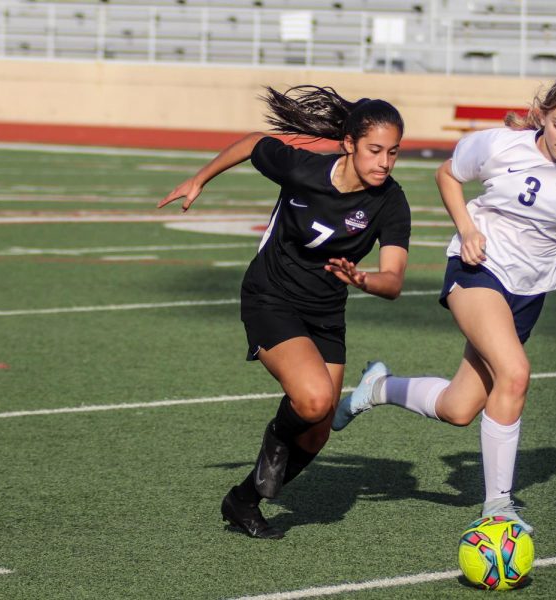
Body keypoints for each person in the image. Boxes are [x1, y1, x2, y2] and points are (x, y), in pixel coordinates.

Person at [332, 75, 556, 534]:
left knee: (459, 408)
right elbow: (446, 174)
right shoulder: (500, 145)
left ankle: (379, 387)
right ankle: (498, 507)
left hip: (530, 292)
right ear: (542, 116)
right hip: (477, 270)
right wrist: (467, 229)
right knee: (516, 372)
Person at [157, 86, 411, 539]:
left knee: (317, 431)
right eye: (375, 150)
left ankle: (243, 501)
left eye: (393, 152)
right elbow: (255, 142)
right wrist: (201, 178)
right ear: (349, 144)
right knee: (313, 402)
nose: (385, 162)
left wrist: (365, 279)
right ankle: (276, 435)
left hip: (326, 312)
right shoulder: (301, 168)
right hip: (270, 296)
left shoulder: (391, 201)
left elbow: (392, 280)